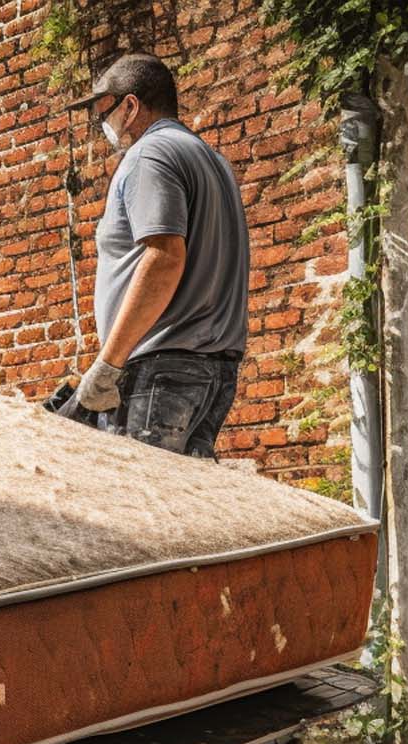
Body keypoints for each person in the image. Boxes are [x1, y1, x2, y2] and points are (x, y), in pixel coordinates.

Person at [55, 54, 250, 460]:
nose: (102, 127)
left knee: (133, 512)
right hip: (213, 368)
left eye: (103, 114)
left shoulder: (150, 155)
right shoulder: (214, 162)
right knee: (180, 511)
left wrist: (107, 366)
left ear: (130, 106)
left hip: (161, 370)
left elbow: (164, 258)